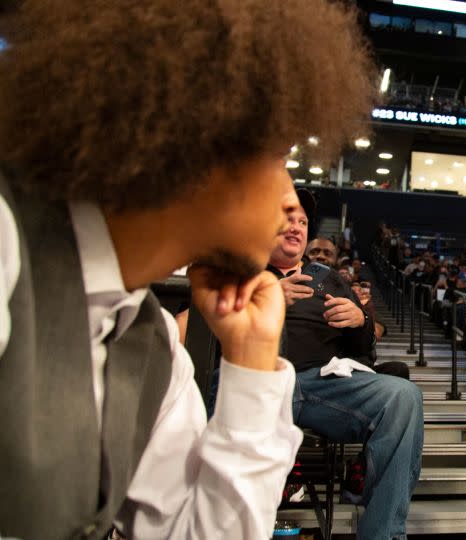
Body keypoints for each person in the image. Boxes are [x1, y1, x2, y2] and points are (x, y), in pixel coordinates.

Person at [0, 0, 375, 537]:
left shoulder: (153, 353)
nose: (290, 197)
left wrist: (251, 362)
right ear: (202, 141)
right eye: (278, 160)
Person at [266, 190, 422, 535]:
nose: (296, 228)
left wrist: (359, 321)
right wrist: (268, 299)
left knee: (403, 395)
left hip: (323, 382)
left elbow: (365, 353)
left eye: (303, 222)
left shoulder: (328, 279)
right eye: (287, 219)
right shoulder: (244, 275)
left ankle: (382, 533)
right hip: (262, 380)